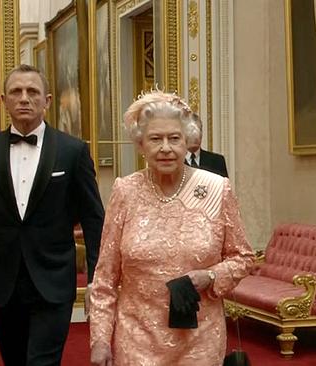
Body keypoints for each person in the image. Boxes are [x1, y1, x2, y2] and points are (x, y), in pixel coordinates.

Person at [0, 64, 105, 365]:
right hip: (3, 281)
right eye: (16, 91)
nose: (24, 98)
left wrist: (96, 277)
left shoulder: (73, 151)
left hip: (53, 280)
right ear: (4, 100)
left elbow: (93, 219)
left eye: (32, 92)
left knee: (42, 362)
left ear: (48, 100)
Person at [89, 90, 254, 365]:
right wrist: (100, 339)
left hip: (200, 339)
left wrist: (211, 276)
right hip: (137, 338)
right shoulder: (125, 191)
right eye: (155, 139)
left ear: (187, 142)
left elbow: (244, 257)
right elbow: (105, 277)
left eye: (174, 138)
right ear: (141, 145)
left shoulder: (216, 189)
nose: (165, 148)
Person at [185, 113, 229, 177]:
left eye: (199, 130)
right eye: (191, 130)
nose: (196, 135)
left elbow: (224, 186)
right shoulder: (176, 162)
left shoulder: (217, 161)